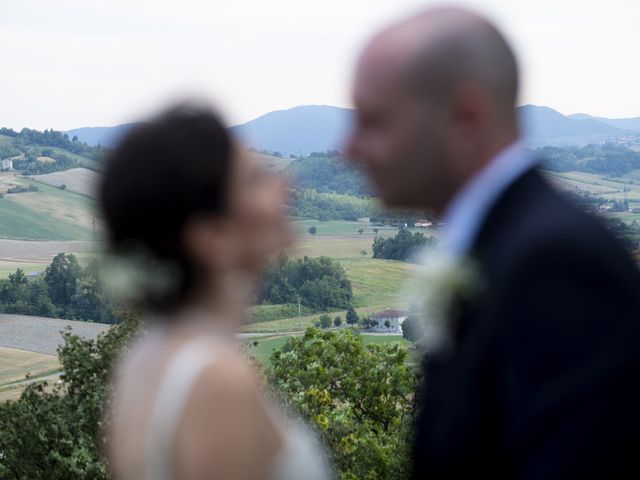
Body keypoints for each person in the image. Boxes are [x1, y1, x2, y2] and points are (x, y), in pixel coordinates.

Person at [347, 7, 640, 479]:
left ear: (466, 118)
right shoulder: (499, 248)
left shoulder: (558, 265)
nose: (348, 148)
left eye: (375, 121)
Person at [101, 105, 331, 480]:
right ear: (214, 238)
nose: (285, 186)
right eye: (256, 178)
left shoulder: (144, 357)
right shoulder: (216, 382)